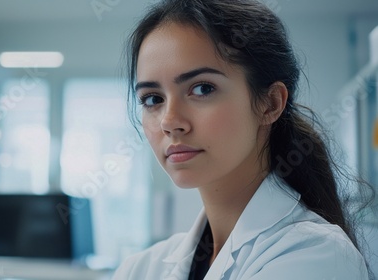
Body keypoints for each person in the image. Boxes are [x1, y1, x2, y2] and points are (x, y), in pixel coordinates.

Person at [112, 0, 375, 279]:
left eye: (202, 89)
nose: (169, 121)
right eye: (153, 99)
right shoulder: (140, 268)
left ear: (270, 104)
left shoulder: (316, 255)